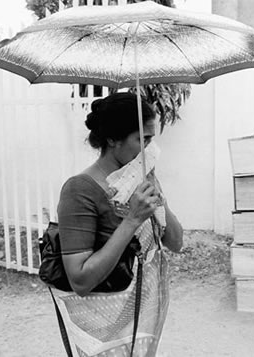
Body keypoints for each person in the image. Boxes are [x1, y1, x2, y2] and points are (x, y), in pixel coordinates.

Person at [56, 92, 183, 357]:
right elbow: (80, 280)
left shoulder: (139, 181)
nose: (149, 150)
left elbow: (176, 242)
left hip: (141, 320)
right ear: (112, 139)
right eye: (142, 140)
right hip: (103, 333)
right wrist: (133, 219)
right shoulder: (80, 191)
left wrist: (158, 199)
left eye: (151, 140)